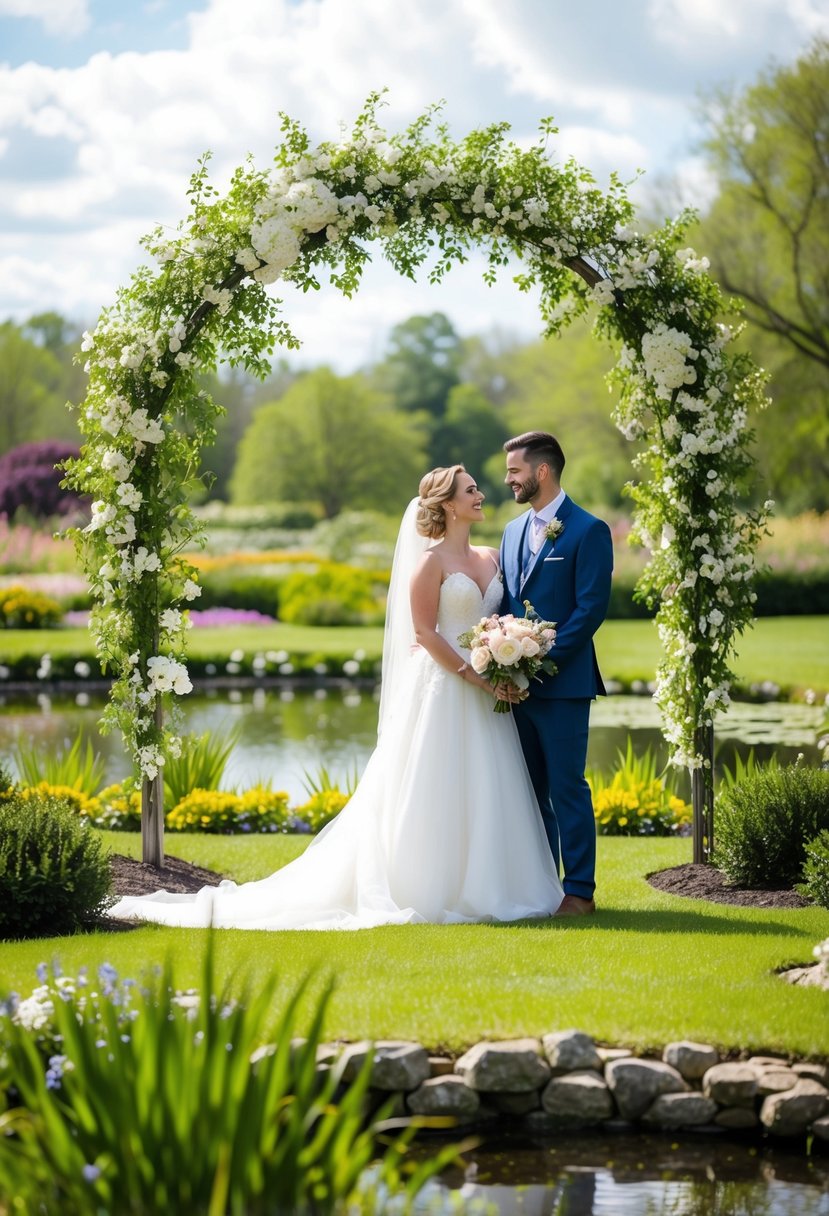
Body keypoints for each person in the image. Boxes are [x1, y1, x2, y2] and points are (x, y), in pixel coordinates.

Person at [108, 465, 563, 929]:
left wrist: (509, 652)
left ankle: (493, 885)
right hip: (446, 688)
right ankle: (430, 885)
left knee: (490, 785)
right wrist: (476, 675)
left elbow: (497, 619)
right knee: (438, 785)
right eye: (471, 490)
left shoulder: (491, 556)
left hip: (488, 693)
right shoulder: (430, 563)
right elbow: (425, 632)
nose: (481, 494)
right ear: (448, 504)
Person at [500, 431, 613, 917]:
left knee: (567, 787)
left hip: (563, 685)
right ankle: (541, 886)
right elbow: (505, 604)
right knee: (527, 791)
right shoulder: (509, 531)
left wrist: (538, 664)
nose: (508, 480)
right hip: (513, 691)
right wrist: (503, 663)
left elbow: (589, 611)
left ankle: (580, 892)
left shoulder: (589, 530)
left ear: (541, 472)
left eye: (514, 471)